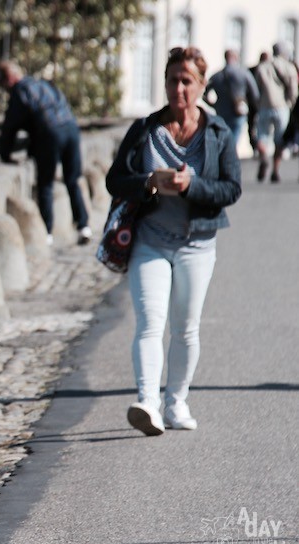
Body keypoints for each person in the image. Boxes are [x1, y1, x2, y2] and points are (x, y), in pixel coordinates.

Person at [105, 47, 241, 436]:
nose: (178, 88)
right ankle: (147, 402)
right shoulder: (145, 129)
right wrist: (147, 183)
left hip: (197, 245)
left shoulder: (217, 133)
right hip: (150, 240)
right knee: (149, 324)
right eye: (172, 80)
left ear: (200, 86)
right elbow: (115, 180)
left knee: (185, 328)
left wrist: (190, 185)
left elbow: (231, 189)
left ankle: (176, 401)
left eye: (186, 81)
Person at [0, 60, 91, 246]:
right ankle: (84, 226)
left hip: (50, 132)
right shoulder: (42, 84)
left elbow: (10, 127)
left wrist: (5, 154)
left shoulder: (20, 91)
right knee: (72, 179)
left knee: (45, 184)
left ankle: (47, 233)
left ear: (8, 79)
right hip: (71, 128)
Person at [252, 44, 299, 182]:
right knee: (280, 140)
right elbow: (293, 90)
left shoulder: (263, 67)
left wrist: (258, 104)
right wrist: (291, 104)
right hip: (282, 106)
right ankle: (275, 170)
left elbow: (256, 89)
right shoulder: (288, 67)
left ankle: (264, 157)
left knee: (262, 136)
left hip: (264, 106)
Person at [204, 49, 260, 149]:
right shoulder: (244, 73)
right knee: (233, 139)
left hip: (221, 111)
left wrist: (213, 104)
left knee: (223, 138)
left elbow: (204, 93)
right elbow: (255, 94)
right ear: (236, 57)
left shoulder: (216, 75)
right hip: (238, 110)